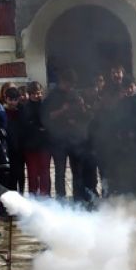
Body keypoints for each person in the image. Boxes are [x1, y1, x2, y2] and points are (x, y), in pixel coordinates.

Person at [42, 69, 91, 201]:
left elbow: (85, 116)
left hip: (75, 140)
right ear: (63, 81)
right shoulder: (52, 96)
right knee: (60, 173)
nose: (71, 87)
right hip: (58, 141)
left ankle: (78, 199)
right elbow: (47, 117)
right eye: (69, 83)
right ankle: (61, 199)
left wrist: (82, 108)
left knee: (77, 172)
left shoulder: (75, 95)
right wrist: (62, 111)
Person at [22, 82, 51, 196]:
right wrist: (38, 128)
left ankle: (46, 196)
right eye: (34, 94)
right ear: (29, 94)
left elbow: (48, 122)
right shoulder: (25, 107)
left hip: (44, 145)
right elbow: (25, 125)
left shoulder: (45, 106)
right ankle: (33, 197)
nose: (37, 96)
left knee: (45, 172)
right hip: (30, 146)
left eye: (39, 93)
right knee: (32, 173)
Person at [1, 87, 26, 193]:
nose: (12, 102)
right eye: (10, 100)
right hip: (7, 148)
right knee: (10, 174)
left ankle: (22, 193)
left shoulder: (22, 111)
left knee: (20, 173)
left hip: (20, 147)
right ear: (6, 99)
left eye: (15, 100)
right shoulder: (1, 111)